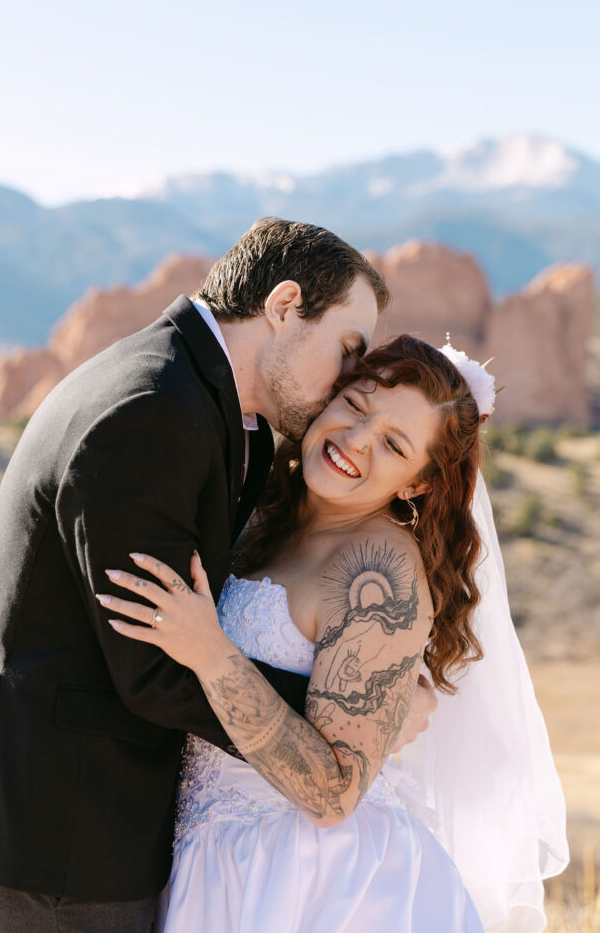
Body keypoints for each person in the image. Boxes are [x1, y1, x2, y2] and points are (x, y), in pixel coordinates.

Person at [0, 218, 416, 933]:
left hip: (90, 822)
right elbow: (154, 661)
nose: (346, 377)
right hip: (63, 837)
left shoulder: (200, 398)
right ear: (282, 306)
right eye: (345, 348)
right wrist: (348, 714)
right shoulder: (150, 411)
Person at [100, 334, 490, 932]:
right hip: (210, 853)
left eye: (393, 444)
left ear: (418, 484)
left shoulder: (377, 569)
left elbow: (333, 796)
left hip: (312, 877)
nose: (356, 441)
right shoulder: (264, 518)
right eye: (356, 407)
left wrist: (212, 654)